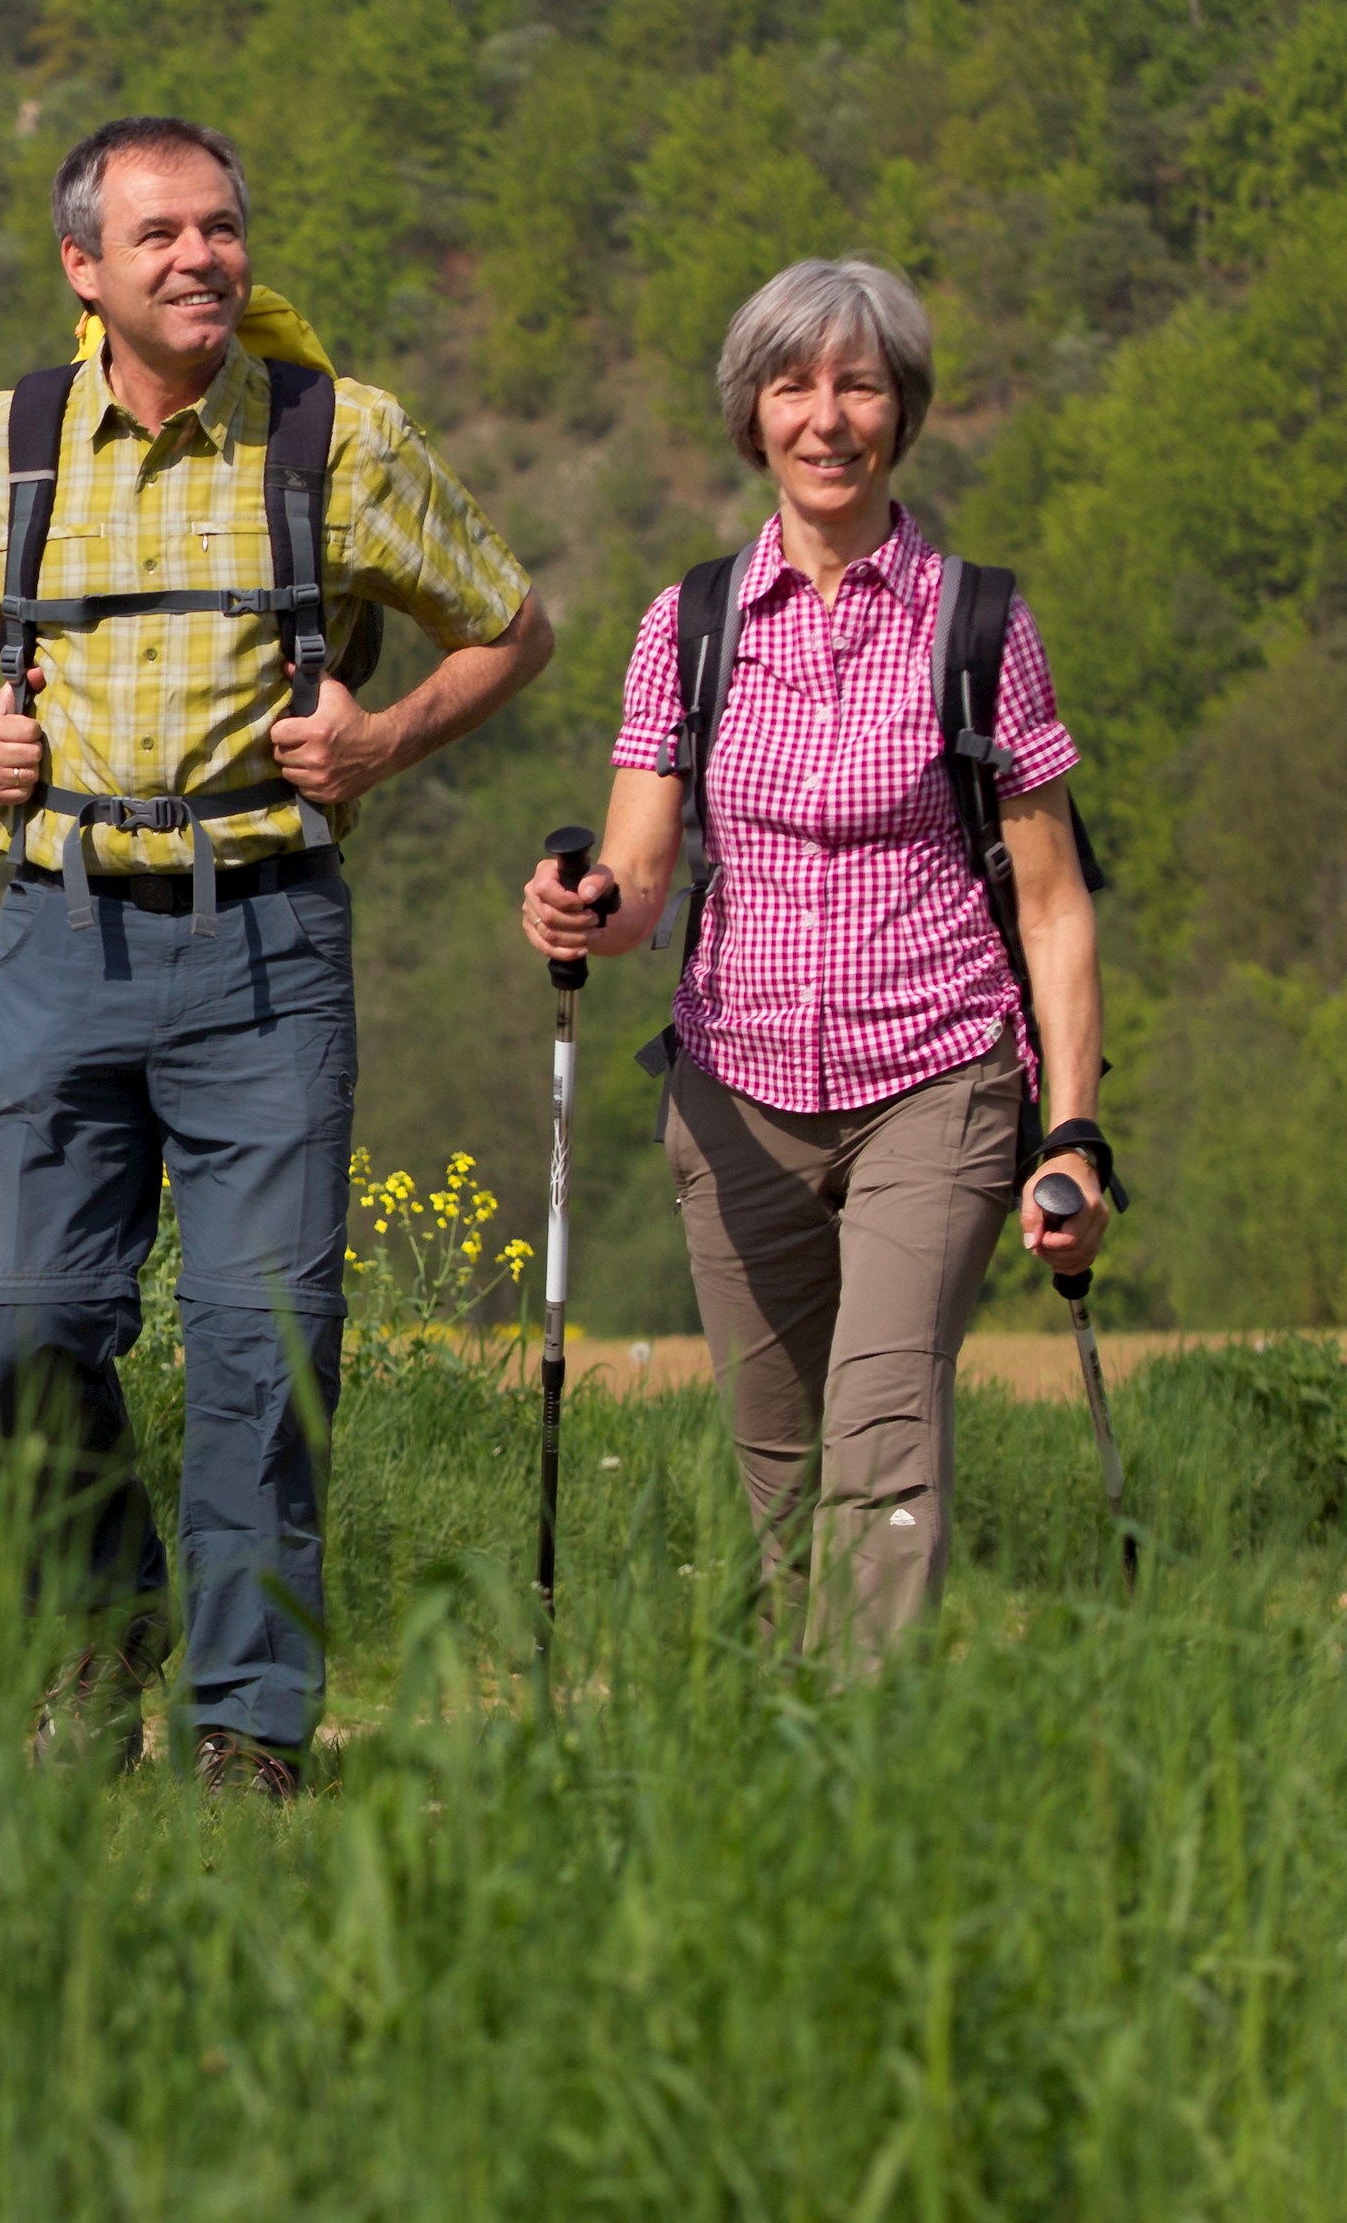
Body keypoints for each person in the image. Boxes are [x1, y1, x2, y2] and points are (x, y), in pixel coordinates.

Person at [0, 116, 552, 1790]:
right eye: (163, 234)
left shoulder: (342, 437)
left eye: (224, 228)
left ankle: (248, 1727)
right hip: (60, 931)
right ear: (84, 269)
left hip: (265, 936)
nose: (202, 258)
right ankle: (99, 1624)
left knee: (265, 1345)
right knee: (17, 1321)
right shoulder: (13, 438)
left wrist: (384, 741)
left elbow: (515, 625)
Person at [519, 255, 1113, 1662]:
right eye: (794, 385)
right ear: (752, 417)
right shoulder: (694, 626)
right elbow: (642, 879)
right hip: (737, 1103)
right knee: (782, 1469)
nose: (827, 416)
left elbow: (1055, 904)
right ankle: (800, 1772)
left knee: (884, 1420)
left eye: (859, 384)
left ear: (902, 411)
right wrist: (577, 907)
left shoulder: (978, 626)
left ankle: (875, 1760)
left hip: (939, 1083)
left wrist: (1076, 1132)